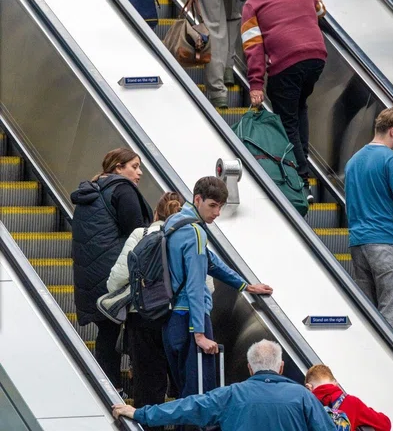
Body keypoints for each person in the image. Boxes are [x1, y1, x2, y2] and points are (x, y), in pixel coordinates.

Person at [164, 177, 273, 401]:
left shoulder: (174, 223)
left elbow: (210, 262)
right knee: (200, 395)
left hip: (172, 316)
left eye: (220, 207)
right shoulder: (195, 232)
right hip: (191, 319)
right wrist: (200, 333)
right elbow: (195, 284)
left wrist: (244, 285)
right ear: (197, 199)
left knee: (185, 393)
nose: (217, 213)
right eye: (212, 205)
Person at [113, 340, 337, 431]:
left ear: (249, 368)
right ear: (281, 367)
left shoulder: (231, 395)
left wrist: (140, 413)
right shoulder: (303, 396)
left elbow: (186, 408)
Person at [71, 148, 152, 392]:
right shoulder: (122, 189)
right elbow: (138, 234)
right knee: (136, 330)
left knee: (107, 331)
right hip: (115, 276)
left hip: (92, 277)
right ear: (118, 167)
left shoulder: (92, 191)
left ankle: (110, 384)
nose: (139, 173)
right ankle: (122, 386)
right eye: (134, 166)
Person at [242, 0, 327, 185]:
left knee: (287, 119)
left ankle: (301, 177)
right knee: (299, 106)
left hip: (286, 62)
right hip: (316, 58)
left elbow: (253, 46)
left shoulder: (253, 3)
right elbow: (320, 12)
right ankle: (303, 161)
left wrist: (256, 84)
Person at [104, 191, 185, 421]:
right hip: (178, 317)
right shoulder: (188, 235)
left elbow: (116, 279)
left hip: (143, 317)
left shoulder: (142, 233)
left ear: (156, 212)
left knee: (148, 385)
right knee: (183, 383)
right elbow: (207, 286)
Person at [345, 108, 393, 338]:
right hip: (389, 241)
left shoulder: (353, 161)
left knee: (370, 316)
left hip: (359, 243)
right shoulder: (391, 159)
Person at [305, 363, 392, 431]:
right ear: (335, 383)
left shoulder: (305, 407)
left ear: (309, 387)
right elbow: (385, 424)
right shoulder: (352, 402)